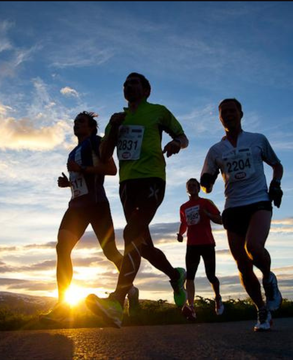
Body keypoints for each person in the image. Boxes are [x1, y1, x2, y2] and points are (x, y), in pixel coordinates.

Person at [85, 72, 189, 328]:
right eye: (125, 84)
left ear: (146, 90)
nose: (127, 86)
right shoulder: (117, 119)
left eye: (133, 83)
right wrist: (113, 130)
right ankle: (176, 276)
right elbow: (105, 153)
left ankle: (117, 301)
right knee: (141, 245)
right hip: (126, 185)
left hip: (152, 180)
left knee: (130, 233)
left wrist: (176, 143)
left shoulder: (158, 111)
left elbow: (183, 138)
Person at [42, 111, 138, 323]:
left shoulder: (96, 141)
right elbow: (81, 176)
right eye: (75, 122)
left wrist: (82, 169)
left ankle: (130, 289)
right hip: (76, 207)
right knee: (62, 248)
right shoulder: (72, 152)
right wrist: (68, 183)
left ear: (92, 127)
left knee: (110, 251)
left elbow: (111, 170)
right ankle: (62, 306)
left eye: (81, 122)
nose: (77, 125)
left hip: (97, 205)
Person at [200, 98, 284, 332]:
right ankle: (262, 310)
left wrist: (276, 184)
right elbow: (207, 183)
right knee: (243, 266)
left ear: (240, 113)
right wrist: (207, 182)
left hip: (258, 201)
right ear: (219, 118)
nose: (228, 114)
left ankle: (268, 278)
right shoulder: (216, 150)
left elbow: (277, 165)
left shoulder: (257, 140)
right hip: (233, 207)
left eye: (232, 111)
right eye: (223, 112)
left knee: (253, 248)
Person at [177, 178, 224, 321]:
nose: (191, 187)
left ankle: (217, 298)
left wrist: (208, 214)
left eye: (194, 185)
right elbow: (184, 223)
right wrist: (180, 234)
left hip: (207, 243)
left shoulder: (206, 203)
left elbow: (220, 219)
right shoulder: (183, 207)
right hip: (192, 245)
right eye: (189, 185)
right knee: (190, 277)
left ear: (198, 188)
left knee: (211, 276)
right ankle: (191, 307)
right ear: (187, 189)